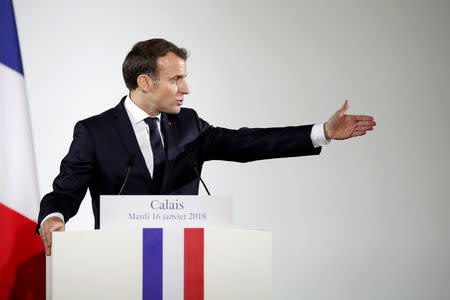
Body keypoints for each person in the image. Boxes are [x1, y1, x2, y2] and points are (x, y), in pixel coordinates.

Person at [37, 38, 376, 255]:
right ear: (145, 82)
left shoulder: (189, 125)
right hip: (115, 263)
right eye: (176, 79)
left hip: (185, 266)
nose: (187, 88)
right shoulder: (94, 132)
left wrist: (322, 132)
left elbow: (245, 144)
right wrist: (53, 218)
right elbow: (65, 192)